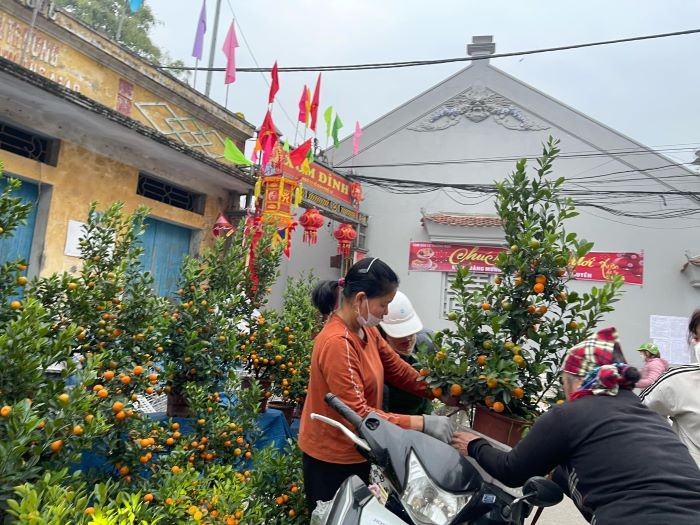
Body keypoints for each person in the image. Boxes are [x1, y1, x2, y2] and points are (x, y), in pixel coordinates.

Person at [451, 327, 700, 525]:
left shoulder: (569, 415)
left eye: (564, 382)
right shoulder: (647, 416)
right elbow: (615, 470)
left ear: (577, 380)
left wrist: (475, 445)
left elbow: (511, 471)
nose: (563, 390)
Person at [298, 257, 454, 511]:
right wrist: (421, 423)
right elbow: (357, 413)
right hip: (332, 458)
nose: (386, 312)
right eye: (384, 304)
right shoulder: (338, 343)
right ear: (360, 299)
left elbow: (397, 369)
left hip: (361, 448)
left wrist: (439, 390)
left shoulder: (366, 330)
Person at [640, 314, 700, 467]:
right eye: (696, 338)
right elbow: (640, 412)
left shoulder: (674, 376)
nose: (695, 343)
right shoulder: (677, 380)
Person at [378, 291, 436, 415]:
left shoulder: (428, 344)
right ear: (383, 334)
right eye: (400, 334)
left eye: (411, 330)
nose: (408, 338)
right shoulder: (375, 361)